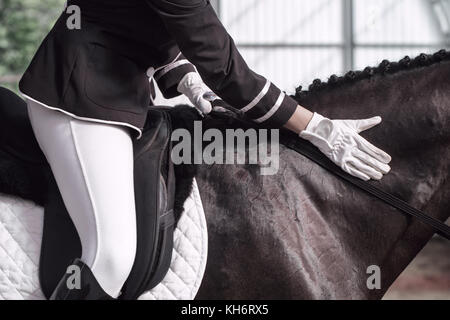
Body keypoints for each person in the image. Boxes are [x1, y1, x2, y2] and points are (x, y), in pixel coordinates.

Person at [18, 0, 392, 300]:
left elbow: (148, 22)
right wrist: (317, 127)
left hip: (118, 91)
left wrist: (189, 81)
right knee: (113, 255)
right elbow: (228, 69)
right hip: (77, 96)